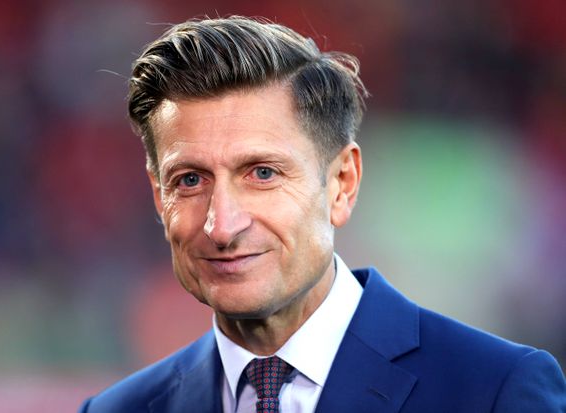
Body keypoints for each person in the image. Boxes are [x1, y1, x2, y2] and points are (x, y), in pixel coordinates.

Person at [79, 16, 566, 413]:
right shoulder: (115, 411)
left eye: (263, 173)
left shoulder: (496, 391)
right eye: (189, 180)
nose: (221, 225)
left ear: (342, 184)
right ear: (158, 196)